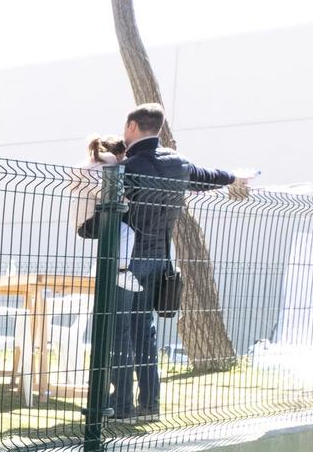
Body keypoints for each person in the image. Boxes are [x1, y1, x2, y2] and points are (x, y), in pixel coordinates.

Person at [75, 104, 250, 419]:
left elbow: (103, 219)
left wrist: (86, 228)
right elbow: (210, 176)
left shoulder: (128, 169)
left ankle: (122, 405)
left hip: (127, 263)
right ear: (156, 128)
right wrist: (236, 177)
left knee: (118, 332)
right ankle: (150, 405)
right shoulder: (178, 164)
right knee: (145, 332)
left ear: (132, 126)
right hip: (160, 261)